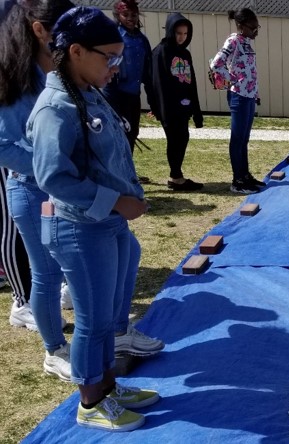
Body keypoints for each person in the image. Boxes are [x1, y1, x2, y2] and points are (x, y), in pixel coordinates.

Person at [28, 6, 160, 431]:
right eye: (109, 57)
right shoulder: (57, 106)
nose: (115, 67)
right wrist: (117, 202)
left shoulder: (88, 91)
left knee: (108, 315)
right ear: (77, 51)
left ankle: (107, 384)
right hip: (80, 228)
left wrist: (124, 203)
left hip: (107, 226)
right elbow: (52, 177)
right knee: (92, 320)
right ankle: (90, 401)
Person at [0, 0, 75, 382]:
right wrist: (49, 163)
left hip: (65, 190)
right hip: (33, 194)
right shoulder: (12, 77)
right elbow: (3, 146)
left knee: (72, 264)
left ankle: (112, 330)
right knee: (45, 272)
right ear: (38, 30)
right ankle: (54, 351)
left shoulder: (57, 65)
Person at [209, 7, 264, 194]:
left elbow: (250, 70)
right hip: (238, 97)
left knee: (245, 139)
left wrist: (254, 92)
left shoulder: (247, 42)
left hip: (249, 96)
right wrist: (232, 79)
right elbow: (216, 63)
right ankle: (237, 180)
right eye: (252, 27)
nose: (255, 30)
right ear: (241, 26)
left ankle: (245, 175)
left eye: (257, 27)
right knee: (237, 138)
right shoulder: (233, 41)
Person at [149, 12, 204, 191]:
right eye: (178, 33)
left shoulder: (185, 54)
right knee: (174, 140)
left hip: (184, 107)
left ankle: (176, 175)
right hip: (170, 108)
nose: (181, 37)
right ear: (171, 31)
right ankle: (176, 177)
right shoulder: (161, 52)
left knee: (183, 138)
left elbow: (191, 81)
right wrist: (159, 108)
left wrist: (196, 110)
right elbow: (156, 83)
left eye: (185, 34)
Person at [102, 0, 152, 183]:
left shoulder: (141, 39)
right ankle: (117, 174)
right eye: (126, 15)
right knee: (118, 134)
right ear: (118, 16)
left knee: (132, 133)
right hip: (114, 94)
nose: (130, 19)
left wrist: (153, 99)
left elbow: (147, 71)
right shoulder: (115, 37)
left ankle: (127, 171)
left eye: (133, 15)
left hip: (133, 95)